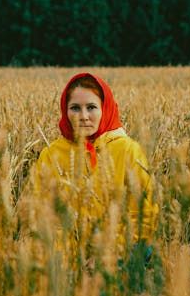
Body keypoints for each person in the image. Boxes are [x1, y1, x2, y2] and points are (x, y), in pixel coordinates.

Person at [33, 72, 158, 256]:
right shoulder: (51, 154)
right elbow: (43, 214)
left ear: (105, 109)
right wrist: (71, 258)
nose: (83, 116)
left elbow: (142, 216)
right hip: (64, 257)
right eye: (75, 108)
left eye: (91, 107)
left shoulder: (128, 151)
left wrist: (107, 255)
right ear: (65, 111)